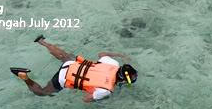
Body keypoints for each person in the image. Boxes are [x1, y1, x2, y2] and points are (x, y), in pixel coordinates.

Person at [10, 35, 138, 103]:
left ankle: (42, 42)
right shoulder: (106, 89)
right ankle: (24, 76)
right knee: (43, 92)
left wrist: (120, 55)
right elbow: (86, 99)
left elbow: (101, 54)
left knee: (64, 55)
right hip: (63, 78)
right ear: (123, 80)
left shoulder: (113, 64)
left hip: (72, 64)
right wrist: (93, 96)